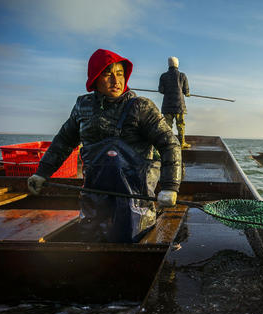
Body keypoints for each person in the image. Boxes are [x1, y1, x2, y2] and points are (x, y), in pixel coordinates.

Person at [27, 49, 182, 243]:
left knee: (132, 239)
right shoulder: (82, 106)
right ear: (95, 78)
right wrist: (42, 172)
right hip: (94, 196)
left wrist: (170, 187)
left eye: (120, 73)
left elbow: (170, 144)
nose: (116, 81)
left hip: (135, 198)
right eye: (108, 74)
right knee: (90, 240)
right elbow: (63, 142)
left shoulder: (141, 107)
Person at [158, 56, 191, 149]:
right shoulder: (182, 76)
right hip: (179, 106)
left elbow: (161, 90)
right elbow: (186, 90)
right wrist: (187, 94)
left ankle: (168, 143)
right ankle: (182, 143)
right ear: (177, 64)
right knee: (180, 124)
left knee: (167, 125)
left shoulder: (163, 76)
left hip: (167, 106)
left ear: (169, 64)